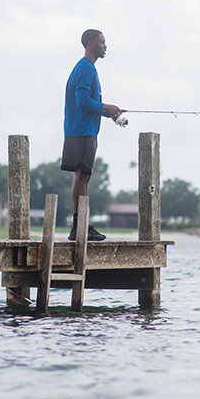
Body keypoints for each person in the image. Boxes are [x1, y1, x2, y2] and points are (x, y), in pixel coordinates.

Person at [61, 29, 121, 241]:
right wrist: (107, 107)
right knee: (81, 173)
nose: (105, 46)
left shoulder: (88, 68)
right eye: (102, 42)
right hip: (80, 130)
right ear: (90, 43)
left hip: (85, 129)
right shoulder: (85, 68)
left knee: (84, 174)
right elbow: (82, 101)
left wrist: (108, 113)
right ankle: (79, 226)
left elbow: (87, 103)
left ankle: (83, 225)